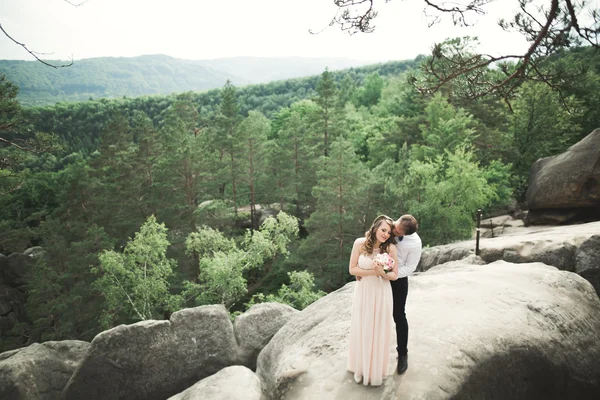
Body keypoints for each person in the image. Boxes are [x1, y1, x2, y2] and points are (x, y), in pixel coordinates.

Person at [347, 215, 399, 386]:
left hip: (381, 292)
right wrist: (372, 272)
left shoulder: (390, 248)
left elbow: (394, 275)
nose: (385, 234)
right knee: (363, 326)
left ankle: (375, 370)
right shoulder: (359, 243)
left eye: (388, 232)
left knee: (377, 329)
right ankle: (360, 369)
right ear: (376, 227)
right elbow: (352, 269)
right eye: (383, 229)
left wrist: (382, 273)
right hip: (363, 292)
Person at [391, 214, 422, 374]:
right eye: (395, 226)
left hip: (398, 279)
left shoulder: (415, 243)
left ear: (405, 234)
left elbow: (410, 268)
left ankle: (402, 353)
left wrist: (391, 274)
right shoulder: (388, 224)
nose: (393, 230)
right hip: (377, 276)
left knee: (398, 315)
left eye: (397, 231)